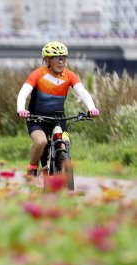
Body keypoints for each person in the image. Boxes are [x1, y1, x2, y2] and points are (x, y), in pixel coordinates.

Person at [16, 41, 99, 176]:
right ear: (47, 60)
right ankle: (32, 167)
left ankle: (60, 167)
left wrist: (92, 108)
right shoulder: (37, 74)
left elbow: (82, 92)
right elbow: (23, 92)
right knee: (41, 142)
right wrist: (21, 109)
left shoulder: (69, 75)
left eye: (63, 58)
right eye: (56, 58)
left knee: (64, 141)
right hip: (37, 118)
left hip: (58, 118)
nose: (61, 61)